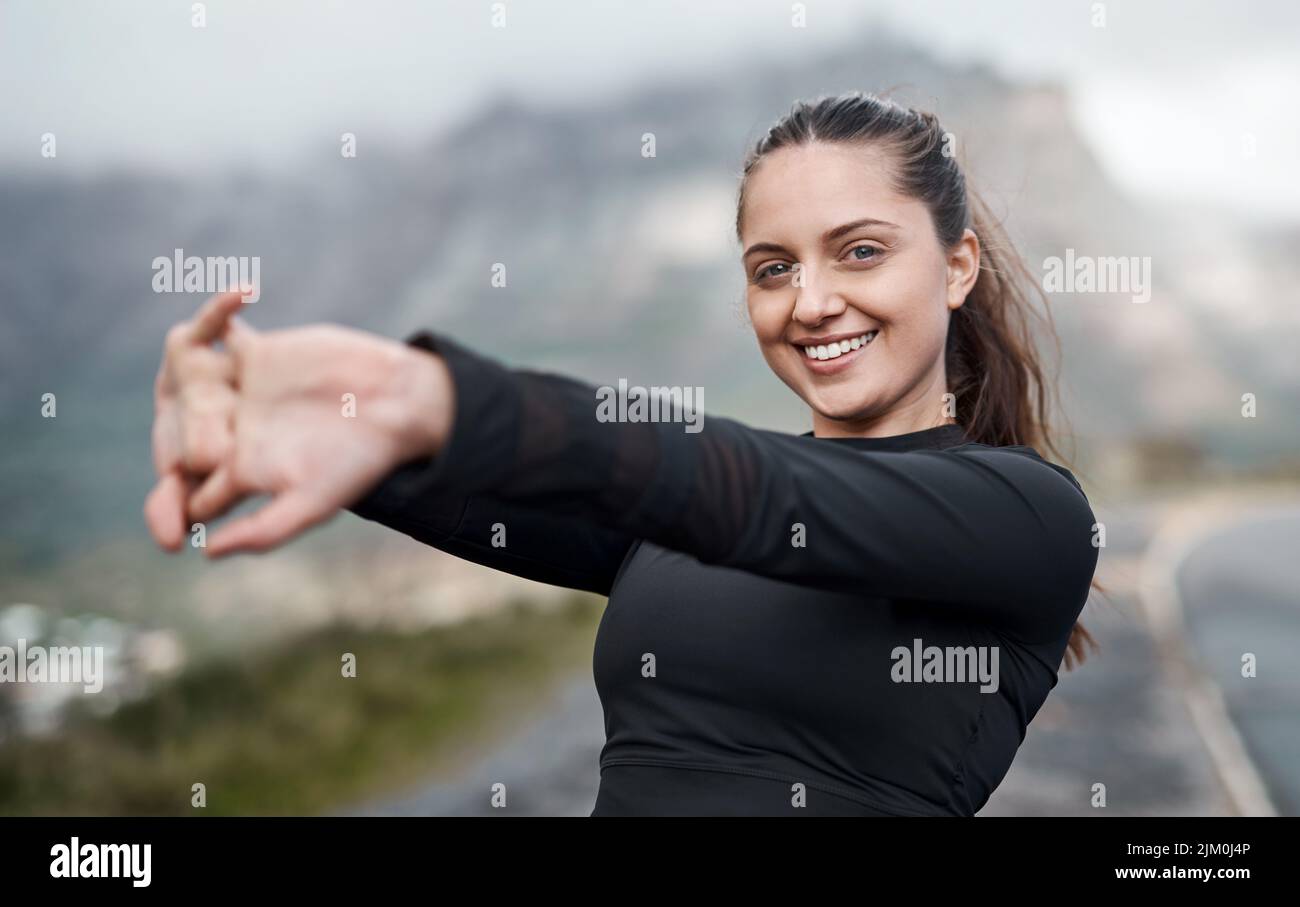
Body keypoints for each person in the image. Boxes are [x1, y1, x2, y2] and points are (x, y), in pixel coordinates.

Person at [145, 92, 1100, 816]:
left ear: (958, 266)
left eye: (859, 251)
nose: (809, 301)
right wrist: (286, 426)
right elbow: (522, 488)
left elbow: (756, 493)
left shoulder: (1028, 518)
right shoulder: (696, 512)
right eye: (774, 268)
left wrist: (435, 394)